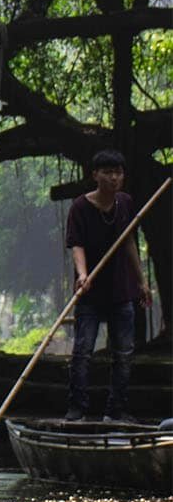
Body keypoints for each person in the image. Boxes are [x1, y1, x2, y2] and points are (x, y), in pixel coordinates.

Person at [64, 149, 153, 421]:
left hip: (121, 289)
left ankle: (116, 411)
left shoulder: (125, 203)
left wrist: (142, 282)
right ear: (95, 175)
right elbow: (76, 244)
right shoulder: (80, 207)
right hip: (90, 290)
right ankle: (77, 408)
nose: (114, 178)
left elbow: (128, 243)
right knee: (83, 351)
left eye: (118, 173)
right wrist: (82, 274)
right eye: (107, 172)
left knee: (123, 353)